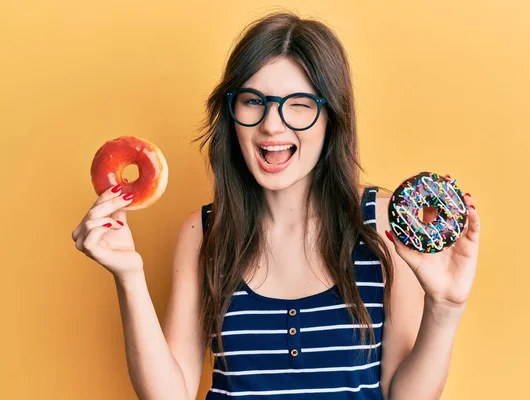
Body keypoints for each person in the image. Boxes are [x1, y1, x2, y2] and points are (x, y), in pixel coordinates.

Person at [71, 10, 480, 400]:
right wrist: (129, 276)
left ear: (331, 118)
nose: (272, 124)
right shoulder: (203, 232)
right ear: (231, 114)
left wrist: (445, 307)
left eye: (299, 105)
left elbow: (403, 395)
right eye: (253, 100)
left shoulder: (382, 223)